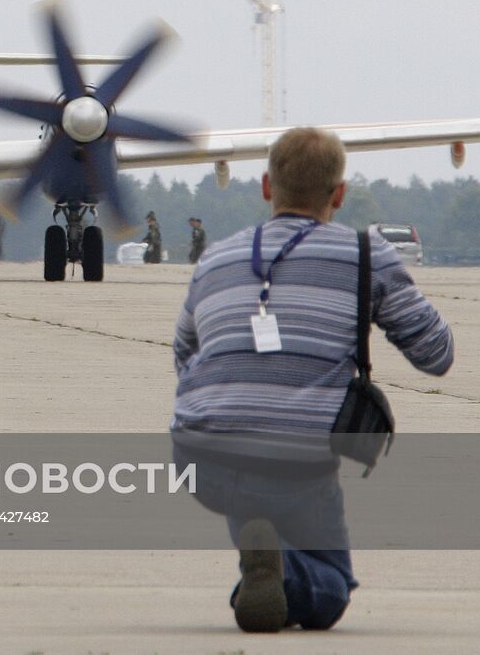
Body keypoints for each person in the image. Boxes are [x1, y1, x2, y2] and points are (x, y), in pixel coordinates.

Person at [171, 127, 452, 632]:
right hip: (296, 464)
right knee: (331, 586)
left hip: (201, 459)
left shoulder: (215, 257)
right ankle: (283, 570)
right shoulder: (367, 256)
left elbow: (184, 356)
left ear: (265, 187)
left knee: (246, 462)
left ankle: (265, 559)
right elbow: (437, 355)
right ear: (339, 194)